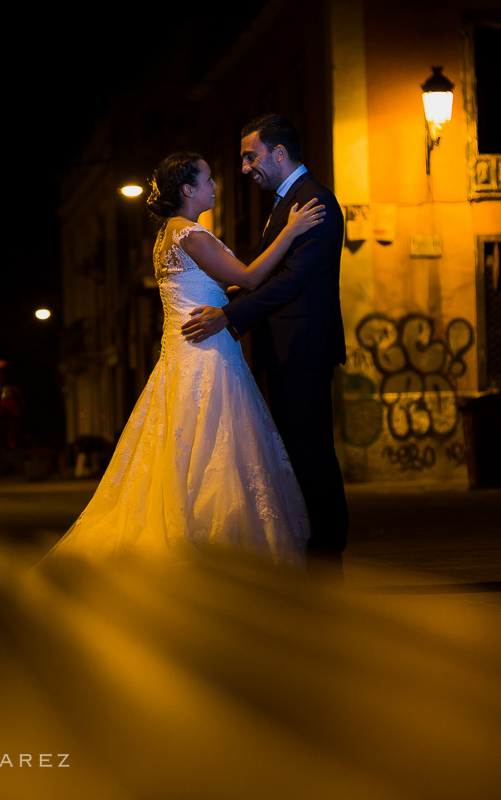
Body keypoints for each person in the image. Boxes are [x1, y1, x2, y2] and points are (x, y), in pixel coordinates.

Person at [38, 151, 324, 568]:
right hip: (208, 358)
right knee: (216, 449)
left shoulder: (166, 236)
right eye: (208, 179)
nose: (216, 185)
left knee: (185, 449)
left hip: (183, 356)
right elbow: (248, 277)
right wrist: (292, 231)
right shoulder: (190, 234)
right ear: (188, 189)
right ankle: (219, 548)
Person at [180, 114, 349, 578]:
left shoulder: (313, 201)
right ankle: (314, 548)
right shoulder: (286, 202)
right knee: (296, 450)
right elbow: (264, 272)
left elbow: (292, 281)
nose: (244, 167)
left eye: (250, 156)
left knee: (311, 451)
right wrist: (227, 298)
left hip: (304, 348)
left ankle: (327, 553)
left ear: (278, 153)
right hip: (285, 348)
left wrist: (229, 316)